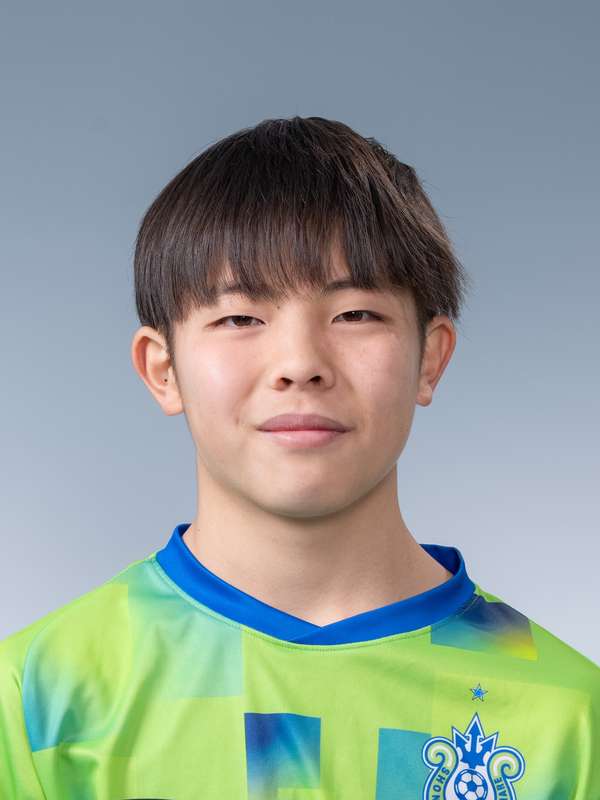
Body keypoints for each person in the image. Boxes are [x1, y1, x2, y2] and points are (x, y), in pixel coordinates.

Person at [1, 116, 598, 799]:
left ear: (429, 358)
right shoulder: (37, 698)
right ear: (162, 369)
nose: (299, 364)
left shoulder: (571, 718)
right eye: (240, 318)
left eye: (355, 315)